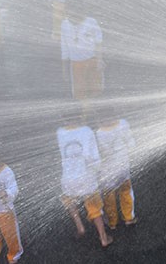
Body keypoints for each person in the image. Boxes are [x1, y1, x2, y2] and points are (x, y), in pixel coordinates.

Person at [56, 106, 112, 247]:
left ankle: (80, 227)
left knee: (70, 202)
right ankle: (103, 238)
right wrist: (99, 169)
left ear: (63, 117)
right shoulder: (86, 131)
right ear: (80, 116)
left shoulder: (60, 132)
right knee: (94, 207)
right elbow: (91, 155)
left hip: (68, 178)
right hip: (86, 176)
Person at [95, 114, 137, 230]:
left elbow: (102, 153)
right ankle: (129, 218)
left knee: (109, 196)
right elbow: (131, 143)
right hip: (123, 167)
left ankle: (112, 222)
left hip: (108, 171)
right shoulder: (122, 124)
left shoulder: (99, 133)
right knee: (126, 191)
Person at [60, 0, 104, 101]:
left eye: (76, 12)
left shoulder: (91, 22)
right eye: (69, 13)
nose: (72, 16)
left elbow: (98, 42)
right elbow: (64, 48)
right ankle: (85, 112)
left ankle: (94, 110)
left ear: (82, 11)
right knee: (80, 93)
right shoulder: (64, 25)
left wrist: (100, 59)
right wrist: (64, 69)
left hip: (92, 61)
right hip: (76, 64)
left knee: (95, 90)